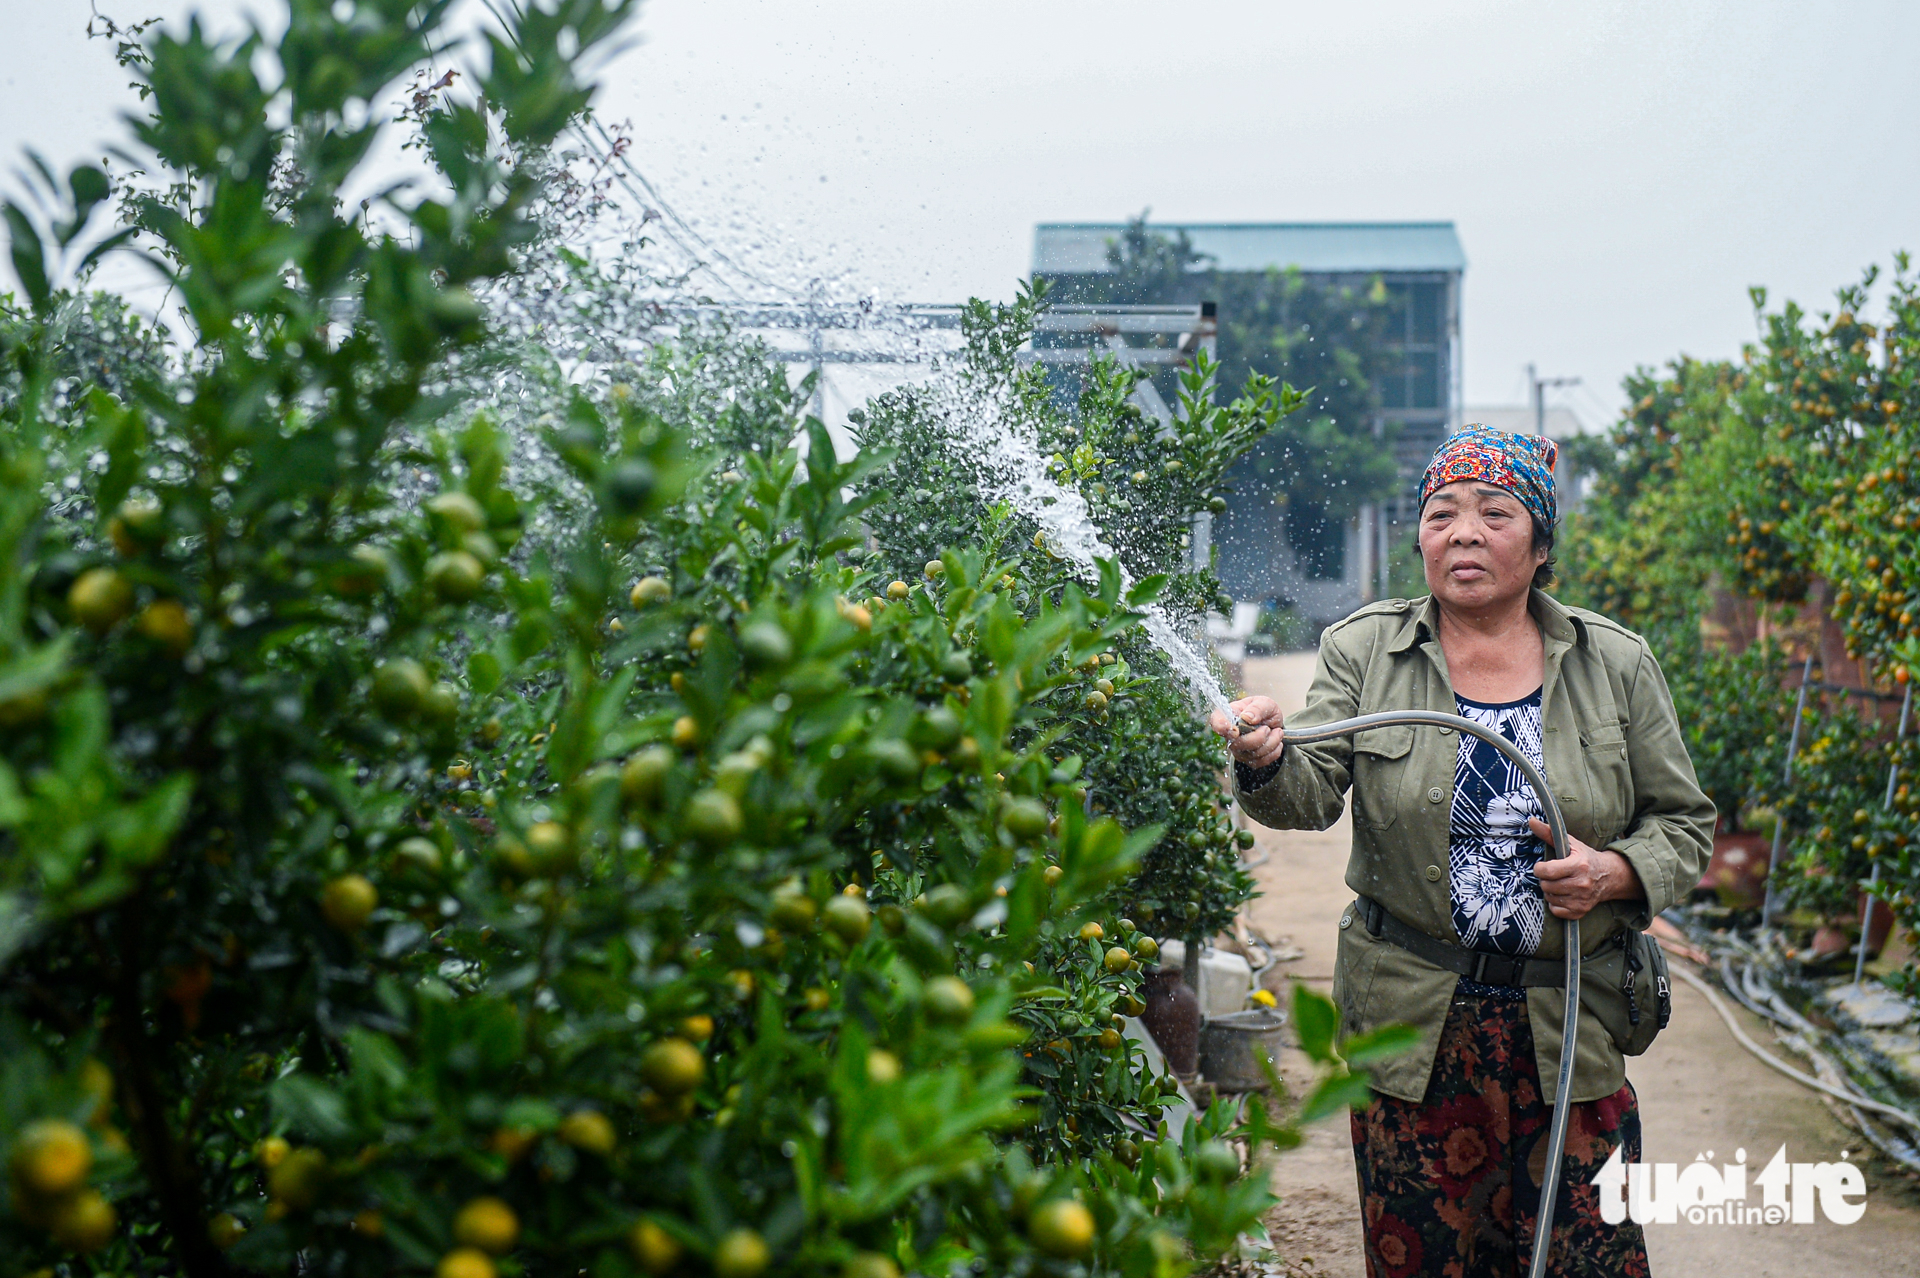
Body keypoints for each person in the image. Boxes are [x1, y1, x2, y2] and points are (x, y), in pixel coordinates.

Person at [1211, 427, 1713, 1277]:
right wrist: (1264, 760)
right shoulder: (1366, 650)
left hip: (1569, 1029)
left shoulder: (1615, 663)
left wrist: (1613, 872)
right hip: (1415, 1029)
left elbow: (1684, 824)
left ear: (1542, 541)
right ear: (1419, 537)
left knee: (1587, 1258)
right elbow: (1310, 789)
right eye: (1442, 513)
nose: (1464, 532)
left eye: (1495, 513)